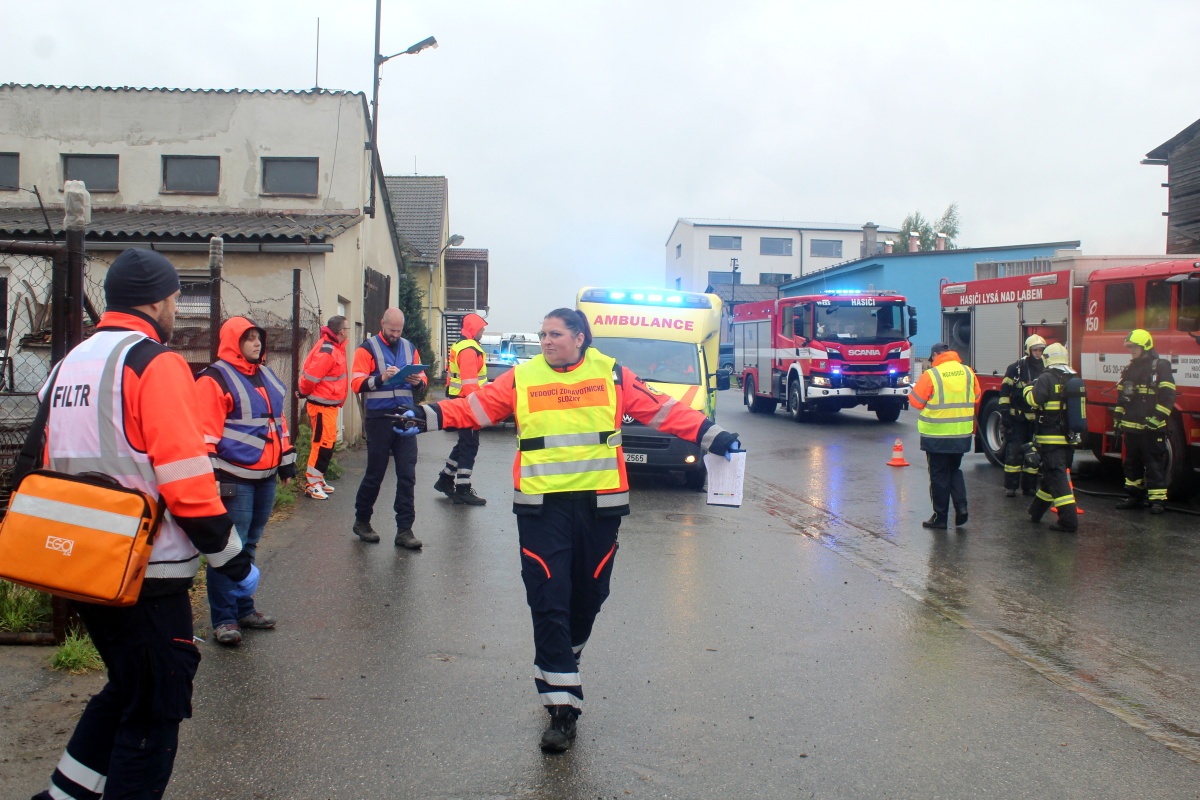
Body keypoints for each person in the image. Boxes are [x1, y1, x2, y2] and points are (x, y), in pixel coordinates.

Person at [394, 308, 742, 753]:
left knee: (589, 597)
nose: (545, 340)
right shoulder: (523, 377)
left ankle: (567, 655)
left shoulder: (610, 373)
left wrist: (714, 435)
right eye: (542, 334)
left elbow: (661, 409)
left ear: (579, 337)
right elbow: (475, 406)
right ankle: (562, 708)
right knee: (548, 599)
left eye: (554, 334)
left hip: (601, 506)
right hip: (541, 508)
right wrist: (426, 416)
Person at [29, 248, 257, 800]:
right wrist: (234, 560)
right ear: (157, 301)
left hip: (81, 563)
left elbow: (39, 460)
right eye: (177, 299)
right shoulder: (155, 364)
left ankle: (63, 796)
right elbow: (186, 479)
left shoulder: (68, 366)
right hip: (146, 573)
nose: (178, 310)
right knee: (154, 714)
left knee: (126, 689)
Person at [196, 317, 297, 645]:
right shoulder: (215, 379)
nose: (256, 343)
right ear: (233, 342)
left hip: (264, 477)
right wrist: (209, 476)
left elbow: (278, 423)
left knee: (249, 545)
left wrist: (286, 464)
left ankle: (243, 609)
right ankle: (224, 619)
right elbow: (204, 434)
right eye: (249, 338)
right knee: (229, 547)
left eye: (258, 338)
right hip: (233, 477)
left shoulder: (265, 375)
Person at [351, 307, 427, 547]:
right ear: (382, 323)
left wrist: (418, 381)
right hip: (379, 418)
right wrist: (381, 378)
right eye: (391, 329)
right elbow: (355, 383)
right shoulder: (367, 348)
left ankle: (405, 530)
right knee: (375, 473)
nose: (395, 334)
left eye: (399, 330)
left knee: (407, 475)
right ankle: (362, 521)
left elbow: (423, 379)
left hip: (405, 417)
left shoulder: (409, 347)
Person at [909, 342, 981, 530]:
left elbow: (916, 402)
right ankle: (961, 507)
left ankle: (940, 517)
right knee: (954, 470)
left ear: (934, 355)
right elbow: (977, 396)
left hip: (937, 435)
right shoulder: (967, 372)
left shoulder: (932, 374)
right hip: (961, 434)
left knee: (939, 475)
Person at [1114, 328, 1176, 514]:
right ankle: (1135, 497)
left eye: (1134, 347)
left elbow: (1168, 397)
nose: (1131, 350)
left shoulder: (1160, 366)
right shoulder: (1130, 368)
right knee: (1131, 464)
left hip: (1151, 429)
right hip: (1132, 429)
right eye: (1129, 347)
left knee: (1154, 465)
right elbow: (1122, 396)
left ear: (1145, 346)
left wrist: (1156, 419)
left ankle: (1158, 501)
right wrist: (1118, 418)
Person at [1023, 342, 1081, 532]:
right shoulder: (1072, 377)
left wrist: (1026, 390)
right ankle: (1035, 511)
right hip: (1068, 438)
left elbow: (1034, 400)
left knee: (1057, 478)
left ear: (1048, 358)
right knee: (1050, 477)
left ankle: (1068, 520)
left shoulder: (1047, 378)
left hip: (1050, 438)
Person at [434, 312, 489, 505]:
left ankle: (445, 479)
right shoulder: (469, 349)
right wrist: (478, 408)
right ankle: (463, 489)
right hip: (468, 403)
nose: (483, 331)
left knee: (464, 443)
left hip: (461, 401)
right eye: (481, 328)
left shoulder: (462, 345)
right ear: (474, 329)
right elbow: (470, 383)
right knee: (470, 445)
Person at [299, 315, 349, 500]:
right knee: (320, 444)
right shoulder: (329, 350)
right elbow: (310, 378)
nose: (347, 332)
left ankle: (317, 479)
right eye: (347, 328)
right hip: (321, 406)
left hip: (327, 406)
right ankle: (312, 484)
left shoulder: (333, 347)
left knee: (326, 444)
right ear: (341, 331)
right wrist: (303, 392)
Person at [999, 335, 1046, 497]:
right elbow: (1005, 393)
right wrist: (1005, 415)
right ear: (1028, 350)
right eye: (1035, 350)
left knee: (1034, 456)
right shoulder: (1016, 368)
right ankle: (1011, 487)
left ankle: (1029, 487)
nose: (1038, 353)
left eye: (1041, 350)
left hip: (1037, 421)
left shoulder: (1046, 368)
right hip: (1017, 420)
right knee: (1014, 453)